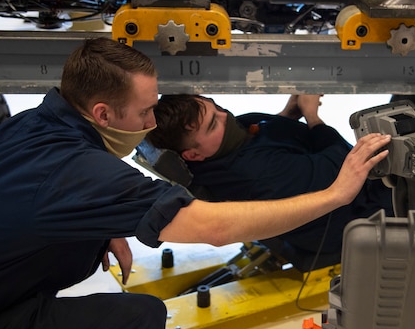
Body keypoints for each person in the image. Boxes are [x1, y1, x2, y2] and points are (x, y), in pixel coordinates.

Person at [0, 38, 391, 329]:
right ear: (103, 113)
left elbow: (25, 203)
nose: (150, 123)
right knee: (140, 320)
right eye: (145, 112)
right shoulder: (79, 172)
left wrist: (100, 226)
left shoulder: (30, 126)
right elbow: (216, 227)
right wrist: (337, 193)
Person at [144, 94, 395, 271]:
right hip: (351, 219)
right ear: (193, 155)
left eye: (216, 107)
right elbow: (347, 166)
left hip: (327, 198)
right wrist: (312, 117)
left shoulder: (227, 147)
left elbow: (266, 141)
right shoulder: (256, 174)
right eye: (213, 124)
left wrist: (288, 114)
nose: (225, 116)